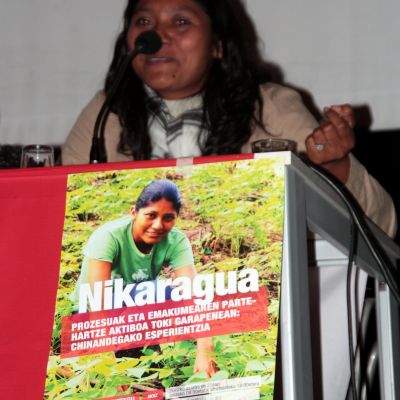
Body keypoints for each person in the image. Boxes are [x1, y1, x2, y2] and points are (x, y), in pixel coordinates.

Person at [62, 0, 396, 237]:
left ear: (218, 46)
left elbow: (381, 227)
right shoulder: (107, 112)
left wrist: (335, 164)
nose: (156, 36)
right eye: (144, 22)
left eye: (180, 22)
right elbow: (62, 222)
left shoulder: (271, 107)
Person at [75, 179, 217, 377]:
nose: (158, 225)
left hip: (135, 308)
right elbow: (97, 304)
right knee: (154, 292)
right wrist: (108, 366)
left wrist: (205, 348)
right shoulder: (108, 237)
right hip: (90, 315)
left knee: (174, 291)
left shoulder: (176, 241)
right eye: (151, 215)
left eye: (168, 218)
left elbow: (193, 293)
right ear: (134, 212)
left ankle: (141, 352)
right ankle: (119, 353)